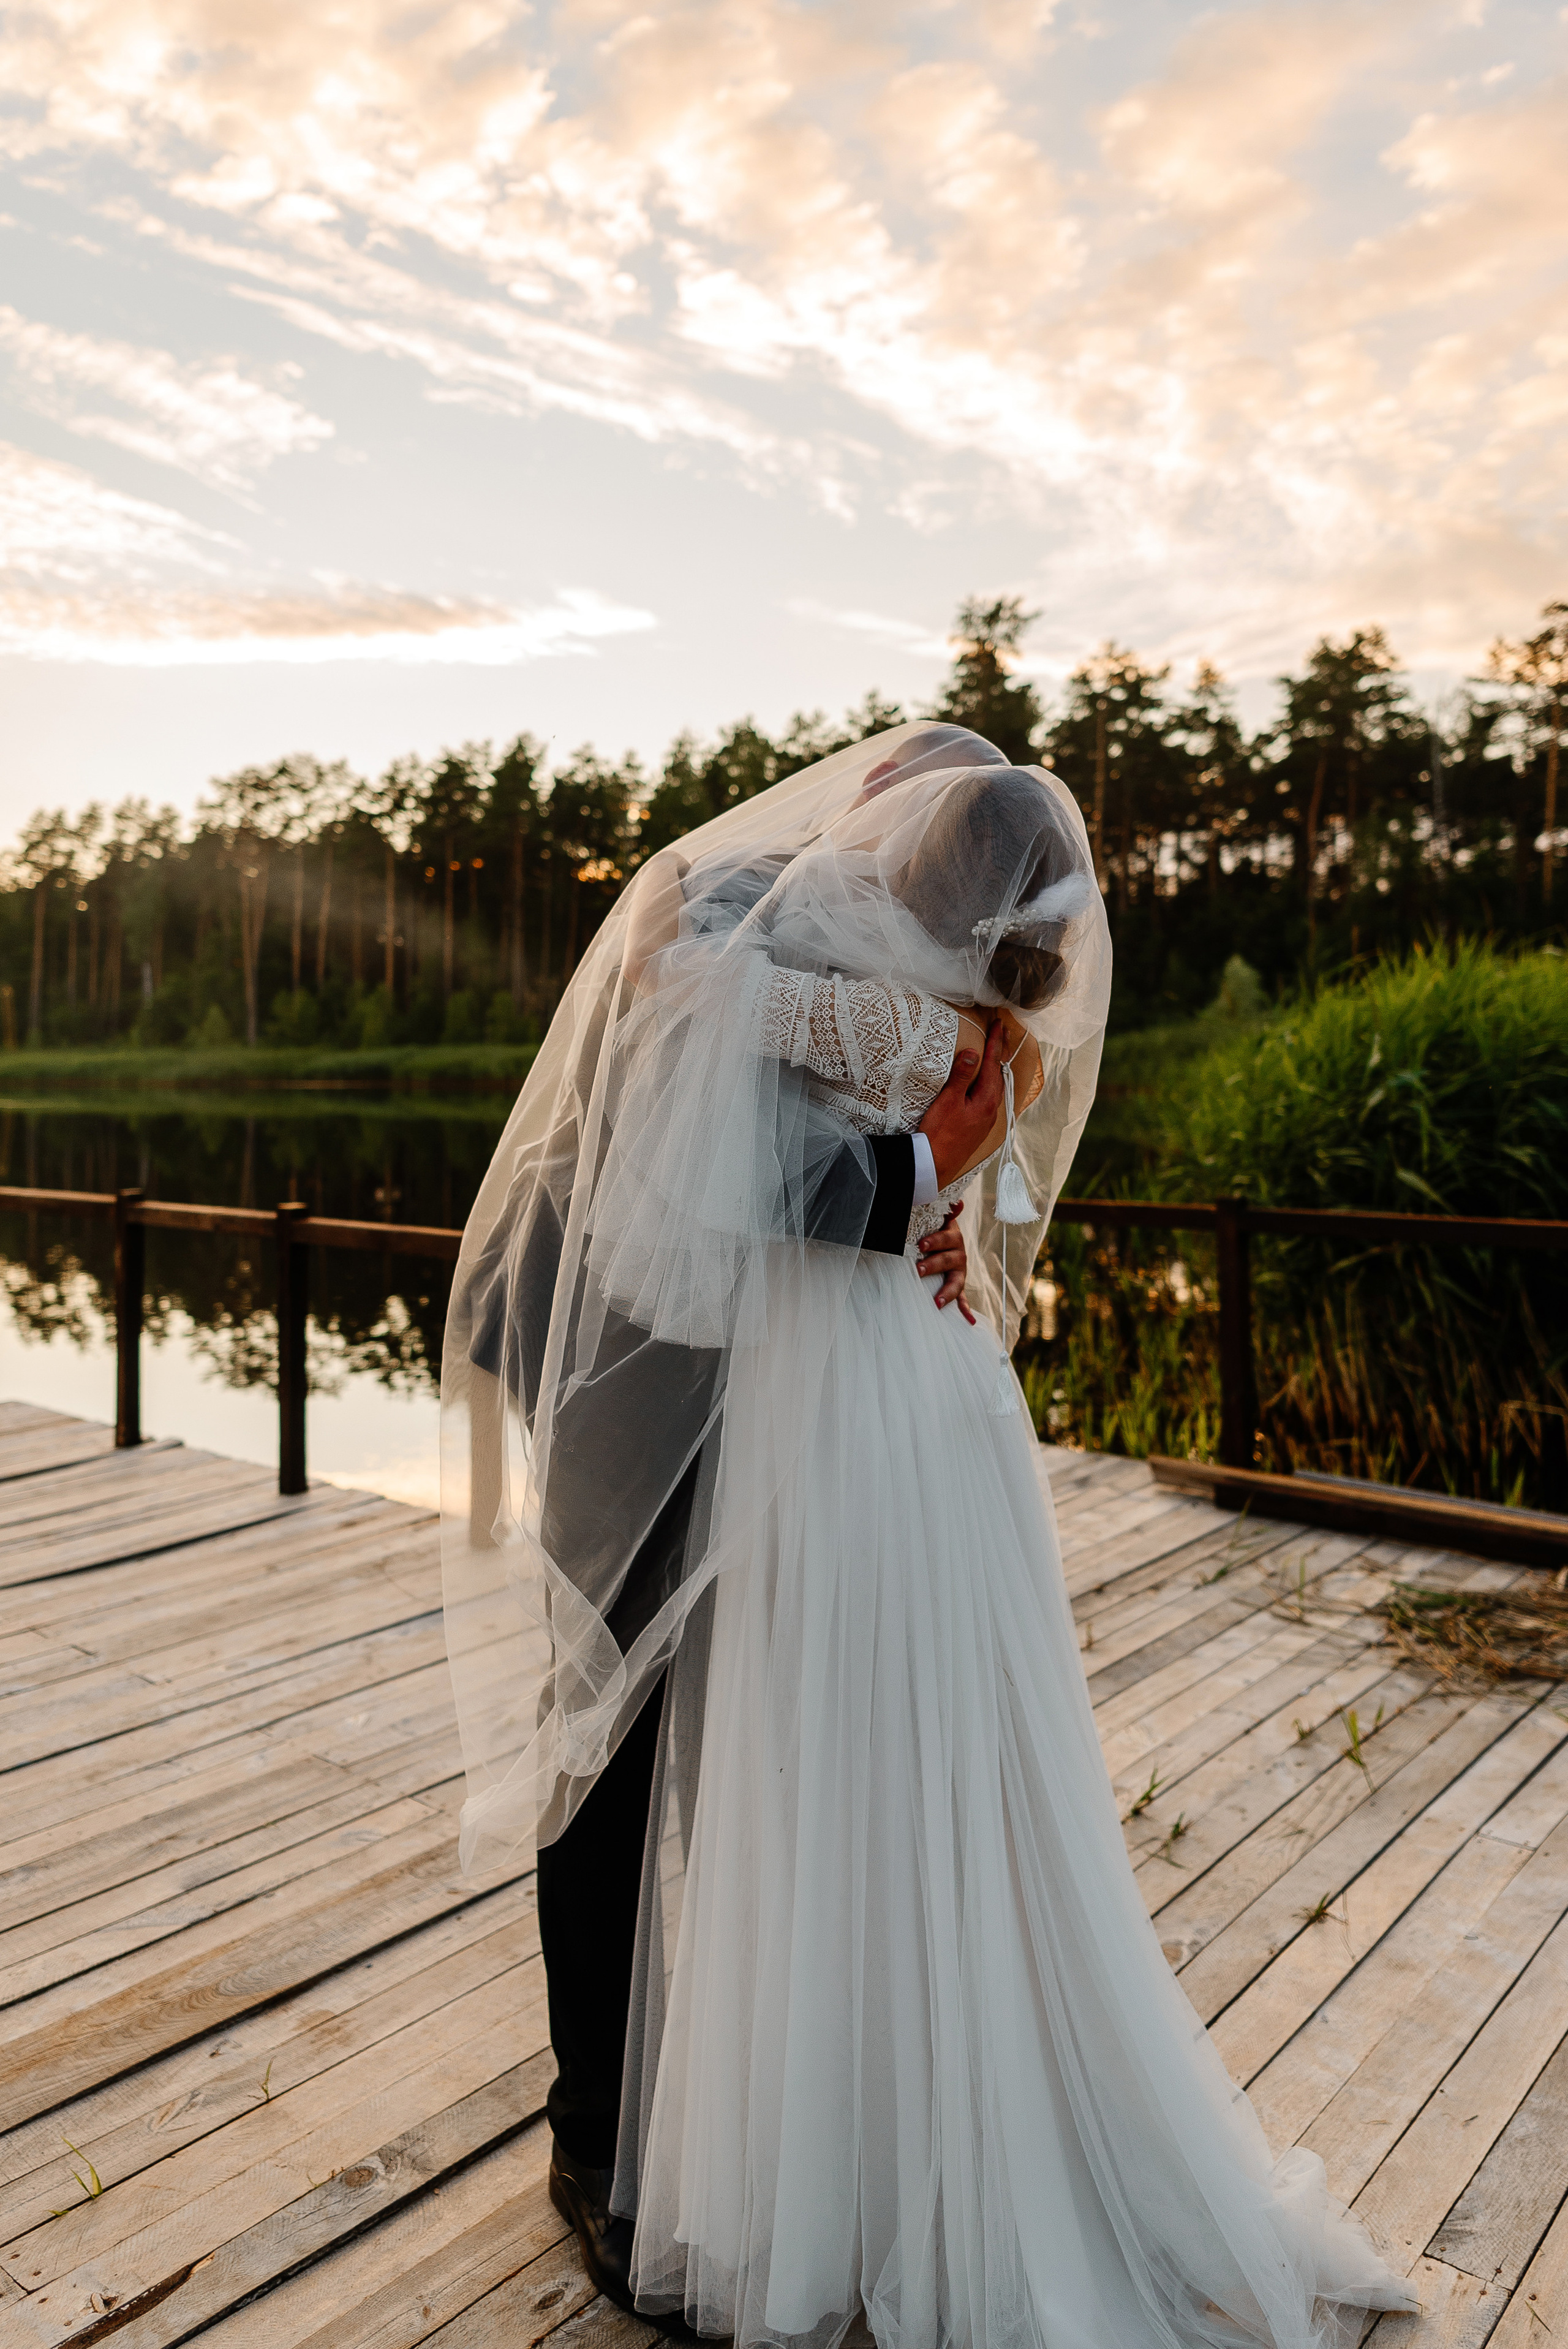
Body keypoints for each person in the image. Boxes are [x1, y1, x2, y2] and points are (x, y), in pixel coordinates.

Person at [441, 724, 1417, 2349]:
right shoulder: (718, 901)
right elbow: (689, 1154)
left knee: (789, 1757)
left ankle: (772, 2131)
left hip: (817, 1412)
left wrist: (937, 1203)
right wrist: (926, 1190)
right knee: (608, 1748)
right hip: (633, 1367)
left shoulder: (880, 979)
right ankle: (600, 2136)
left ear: (925, 844)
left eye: (921, 815)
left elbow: (937, 1176)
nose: (879, 824)